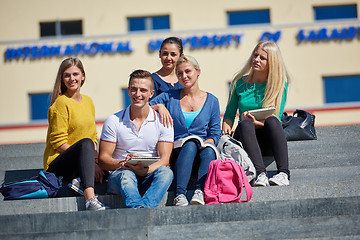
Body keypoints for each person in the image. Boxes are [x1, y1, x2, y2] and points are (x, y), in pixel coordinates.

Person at [151, 55, 221, 206]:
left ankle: (200, 192)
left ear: (198, 72)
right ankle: (180, 194)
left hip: (202, 152)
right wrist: (159, 106)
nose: (184, 76)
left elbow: (215, 132)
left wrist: (208, 142)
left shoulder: (212, 100)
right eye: (180, 73)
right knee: (190, 144)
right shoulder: (169, 97)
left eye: (188, 71)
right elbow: (142, 108)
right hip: (177, 151)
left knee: (208, 150)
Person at [98, 70, 174, 208]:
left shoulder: (163, 121)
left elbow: (164, 160)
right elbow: (103, 159)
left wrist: (143, 170)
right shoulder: (113, 120)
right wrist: (122, 163)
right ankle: (140, 209)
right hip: (121, 174)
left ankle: (141, 209)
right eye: (134, 89)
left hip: (149, 173)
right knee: (126, 175)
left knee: (166, 173)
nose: (137, 94)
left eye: (143, 90)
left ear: (151, 94)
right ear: (128, 91)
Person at [222, 41, 290, 187]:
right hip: (244, 137)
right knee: (245, 124)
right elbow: (229, 115)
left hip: (267, 139)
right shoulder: (239, 83)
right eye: (255, 55)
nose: (256, 59)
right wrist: (225, 130)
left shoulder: (279, 84)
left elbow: (276, 119)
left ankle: (283, 174)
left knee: (272, 121)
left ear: (272, 62)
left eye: (262, 58)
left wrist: (256, 123)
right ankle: (261, 174)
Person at [43, 57, 106, 211]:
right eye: (67, 75)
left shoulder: (88, 101)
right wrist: (89, 162)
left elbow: (93, 136)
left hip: (82, 160)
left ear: (83, 76)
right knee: (85, 143)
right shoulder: (61, 103)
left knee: (110, 159)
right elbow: (58, 142)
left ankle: (79, 180)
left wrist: (96, 162)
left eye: (75, 74)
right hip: (58, 164)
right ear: (62, 79)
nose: (72, 79)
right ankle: (90, 200)